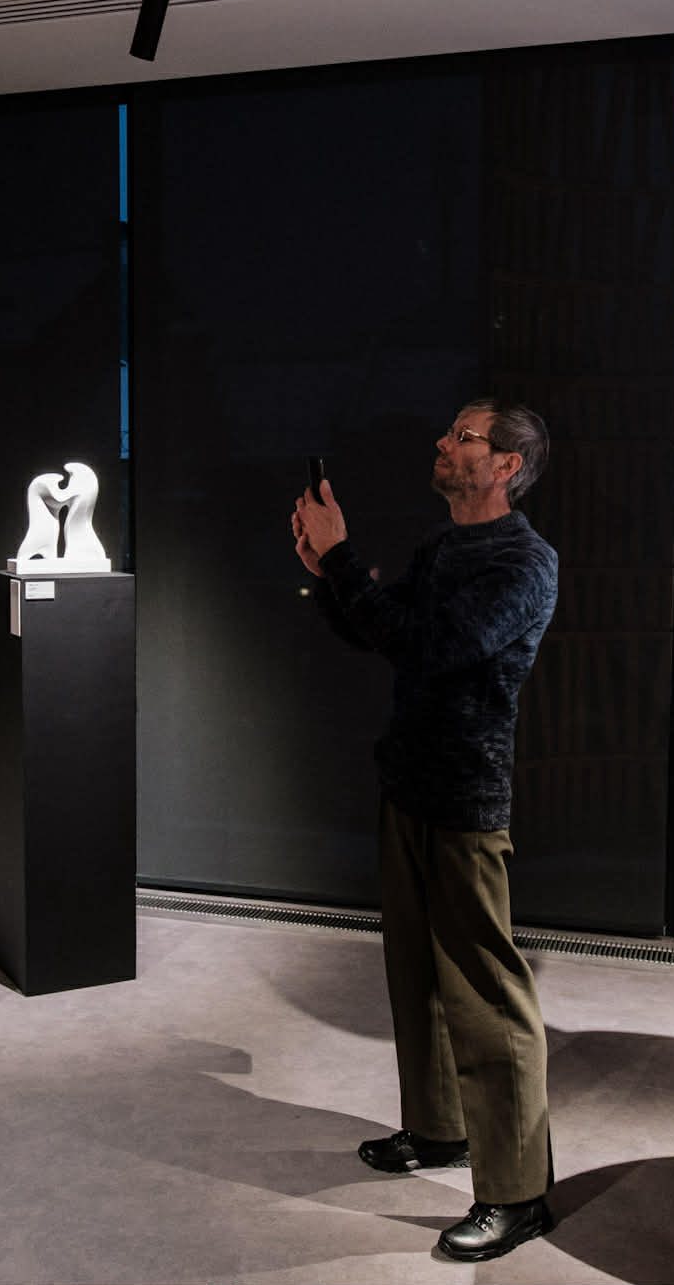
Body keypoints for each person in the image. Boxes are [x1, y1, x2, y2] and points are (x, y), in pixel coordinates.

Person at [290, 398, 560, 1263]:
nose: (444, 444)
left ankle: (518, 1191)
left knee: (485, 992)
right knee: (416, 977)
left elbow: (429, 645)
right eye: (450, 433)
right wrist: (329, 572)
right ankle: (441, 1129)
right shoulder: (444, 548)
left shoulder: (525, 563)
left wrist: (344, 558)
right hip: (408, 785)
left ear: (507, 464)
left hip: (466, 801)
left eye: (463, 436)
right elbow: (381, 626)